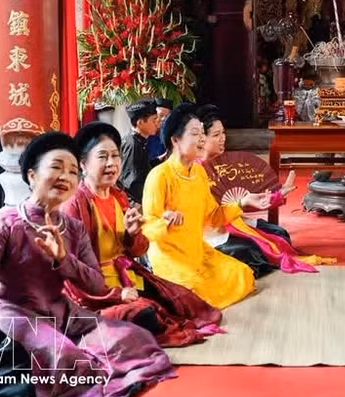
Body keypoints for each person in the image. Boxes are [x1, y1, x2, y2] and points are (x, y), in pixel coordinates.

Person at [0, 132, 174, 397]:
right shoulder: (5, 223)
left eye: (72, 171)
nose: (66, 176)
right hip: (16, 311)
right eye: (56, 167)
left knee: (134, 339)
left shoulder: (72, 228)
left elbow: (95, 283)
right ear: (32, 176)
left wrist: (63, 258)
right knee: (66, 358)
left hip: (60, 309)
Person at [61, 122, 223, 346]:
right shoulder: (74, 204)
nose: (111, 164)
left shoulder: (118, 197)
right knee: (145, 314)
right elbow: (72, 271)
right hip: (95, 292)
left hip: (127, 276)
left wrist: (132, 234)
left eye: (115, 156)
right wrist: (116, 295)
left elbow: (139, 250)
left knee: (182, 302)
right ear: (83, 164)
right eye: (102, 157)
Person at [141, 104, 268, 308]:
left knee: (242, 274)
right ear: (175, 140)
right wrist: (164, 222)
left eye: (202, 133)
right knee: (193, 290)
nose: (202, 139)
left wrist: (243, 202)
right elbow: (147, 228)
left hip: (197, 252)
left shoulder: (199, 173)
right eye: (195, 133)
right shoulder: (159, 176)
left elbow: (214, 216)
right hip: (170, 256)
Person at [198, 104, 333, 278]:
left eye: (223, 133)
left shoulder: (221, 165)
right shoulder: (196, 171)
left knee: (279, 233)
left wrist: (277, 195)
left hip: (233, 219)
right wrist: (241, 204)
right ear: (201, 139)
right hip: (212, 229)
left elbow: (243, 202)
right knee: (254, 252)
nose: (223, 138)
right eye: (216, 135)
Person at [118, 100, 159, 204]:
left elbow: (142, 168)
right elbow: (131, 181)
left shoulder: (138, 141)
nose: (157, 123)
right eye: (154, 120)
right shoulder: (132, 145)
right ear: (140, 123)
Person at [146, 98, 173, 162]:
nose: (163, 119)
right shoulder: (146, 134)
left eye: (167, 116)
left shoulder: (171, 136)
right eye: (161, 115)